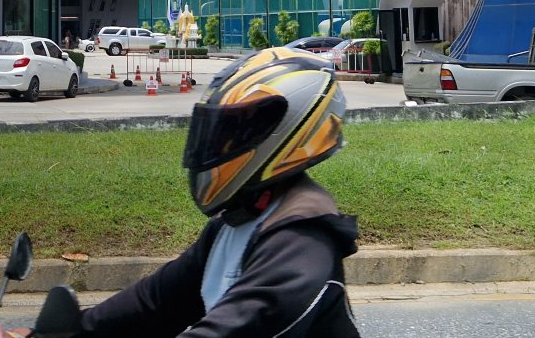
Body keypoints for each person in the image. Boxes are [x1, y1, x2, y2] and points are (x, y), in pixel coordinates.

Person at [75, 48, 361, 337]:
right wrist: (65, 330)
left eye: (233, 132)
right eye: (217, 132)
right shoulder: (240, 220)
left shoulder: (304, 243)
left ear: (292, 131)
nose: (218, 144)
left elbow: (232, 328)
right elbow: (154, 303)